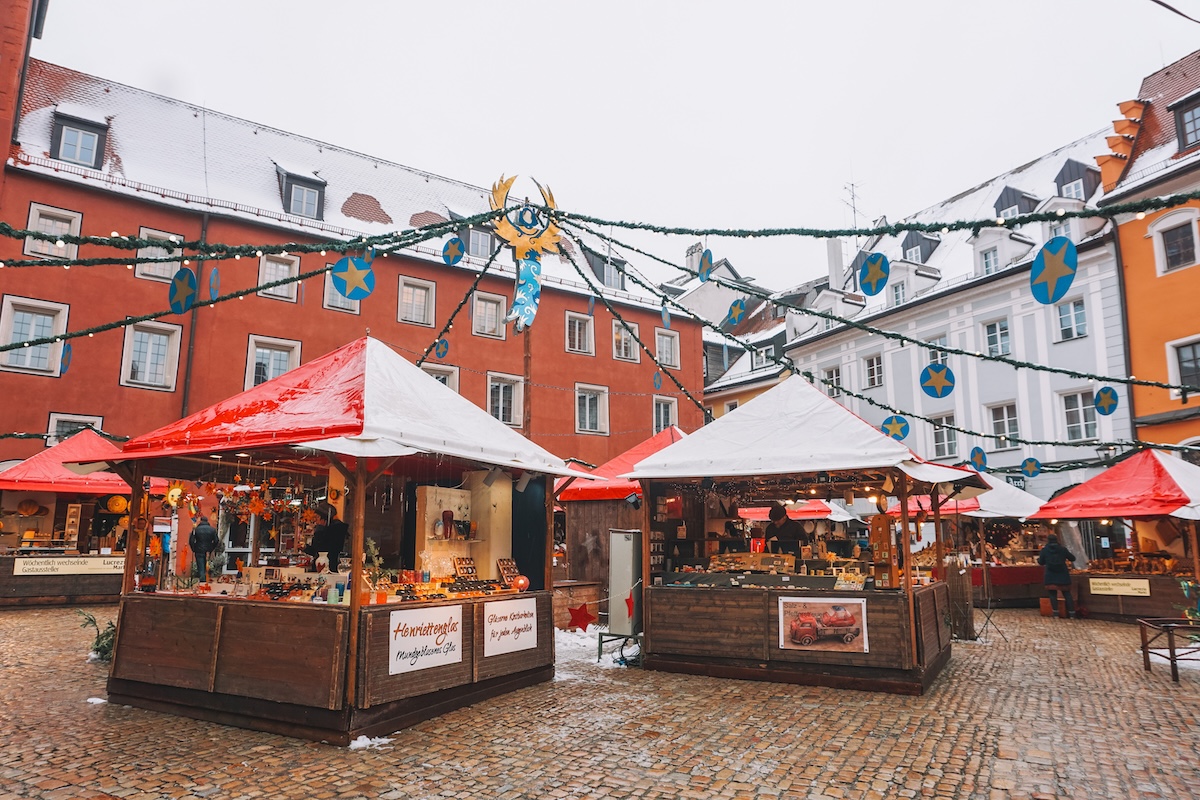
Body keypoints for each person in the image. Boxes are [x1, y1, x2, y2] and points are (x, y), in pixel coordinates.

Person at [1037, 533, 1077, 618]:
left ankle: (1055, 613)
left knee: (1052, 594)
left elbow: (1041, 562)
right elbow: (1072, 558)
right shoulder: (1062, 549)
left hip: (1050, 574)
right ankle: (1072, 613)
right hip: (1062, 573)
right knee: (1067, 594)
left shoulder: (1045, 550)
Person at [306, 503, 349, 569]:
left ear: (325, 519)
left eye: (317, 517)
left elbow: (318, 550)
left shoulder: (330, 533)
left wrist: (319, 531)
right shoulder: (336, 530)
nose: (316, 521)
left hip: (328, 567)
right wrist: (304, 548)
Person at [189, 515, 219, 579]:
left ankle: (203, 581)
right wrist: (212, 547)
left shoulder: (196, 530)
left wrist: (193, 548)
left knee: (201, 567)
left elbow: (191, 540)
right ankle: (207, 580)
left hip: (199, 550)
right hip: (208, 550)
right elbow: (216, 540)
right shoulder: (212, 530)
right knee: (207, 566)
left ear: (201, 521)